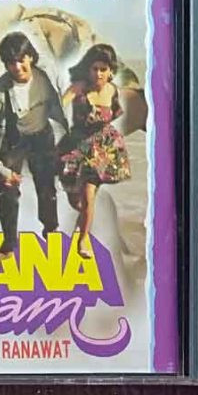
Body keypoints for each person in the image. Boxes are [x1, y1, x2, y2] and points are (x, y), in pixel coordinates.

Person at [0, 32, 69, 260]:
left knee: (47, 187)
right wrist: (0, 171)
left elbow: (64, 109)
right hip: (13, 139)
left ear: (30, 57)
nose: (18, 67)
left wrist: (71, 143)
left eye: (21, 60)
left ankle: (51, 231)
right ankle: (9, 244)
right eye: (11, 63)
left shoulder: (47, 75)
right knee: (6, 189)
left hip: (42, 135)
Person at [59, 44, 133, 259]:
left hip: (102, 150)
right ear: (88, 69)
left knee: (88, 196)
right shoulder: (79, 87)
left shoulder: (113, 91)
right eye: (95, 69)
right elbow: (59, 104)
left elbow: (115, 114)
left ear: (111, 71)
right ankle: (81, 219)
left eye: (103, 69)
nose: (99, 74)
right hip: (76, 145)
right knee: (77, 201)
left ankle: (83, 240)